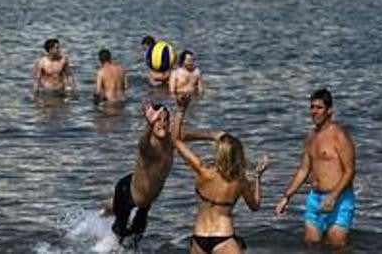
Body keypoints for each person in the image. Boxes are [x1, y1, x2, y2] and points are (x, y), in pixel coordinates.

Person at [105, 101, 216, 248]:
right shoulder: (149, 146)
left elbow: (189, 134)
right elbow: (142, 145)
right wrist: (148, 125)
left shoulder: (171, 140)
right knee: (120, 238)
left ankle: (108, 207)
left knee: (136, 238)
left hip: (144, 199)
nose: (162, 123)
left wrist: (215, 136)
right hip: (129, 196)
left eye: (165, 119)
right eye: (158, 120)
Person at [173, 95, 269, 253]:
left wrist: (181, 110)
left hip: (199, 236)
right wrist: (258, 177)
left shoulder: (203, 171)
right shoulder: (240, 181)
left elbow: (176, 140)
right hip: (224, 236)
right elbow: (255, 206)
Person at [275, 89, 357, 248]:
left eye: (319, 108)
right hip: (315, 198)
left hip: (339, 199)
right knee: (311, 245)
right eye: (312, 107)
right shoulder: (310, 137)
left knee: (337, 246)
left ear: (329, 110)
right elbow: (303, 170)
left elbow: (350, 171)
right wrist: (286, 197)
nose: (314, 111)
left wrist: (333, 196)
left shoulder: (339, 135)